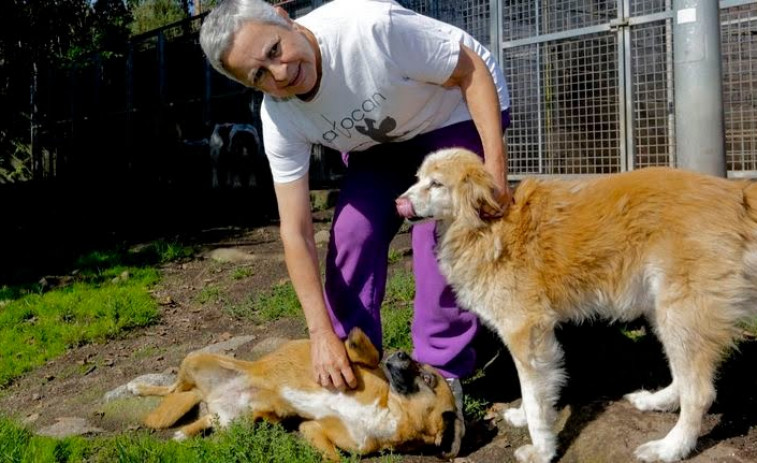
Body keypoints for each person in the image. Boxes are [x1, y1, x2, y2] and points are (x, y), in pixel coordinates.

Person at [199, 0, 511, 410]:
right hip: (380, 143)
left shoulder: (370, 28)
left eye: (275, 50)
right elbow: (295, 231)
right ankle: (354, 360)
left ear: (284, 17)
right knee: (352, 231)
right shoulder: (279, 117)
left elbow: (471, 70)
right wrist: (320, 333)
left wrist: (495, 173)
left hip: (452, 111)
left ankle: (442, 372)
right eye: (259, 74)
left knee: (435, 237)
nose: (281, 73)